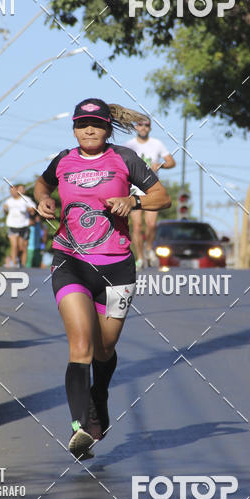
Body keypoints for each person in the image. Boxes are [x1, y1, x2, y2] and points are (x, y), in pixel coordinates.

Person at [34, 98, 171, 459]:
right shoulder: (64, 159)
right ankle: (81, 427)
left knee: (104, 349)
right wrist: (44, 200)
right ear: (75, 128)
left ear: (108, 127)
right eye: (82, 124)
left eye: (96, 124)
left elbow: (162, 197)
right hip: (71, 261)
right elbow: (41, 184)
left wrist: (134, 202)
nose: (89, 130)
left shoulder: (124, 159)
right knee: (80, 345)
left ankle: (99, 398)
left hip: (117, 267)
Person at [124, 116, 176, 268]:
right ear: (136, 127)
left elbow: (171, 162)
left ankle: (148, 250)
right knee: (137, 225)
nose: (143, 128)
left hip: (151, 188)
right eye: (140, 125)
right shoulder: (129, 146)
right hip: (134, 188)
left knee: (151, 224)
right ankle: (140, 258)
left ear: (150, 127)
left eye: (146, 125)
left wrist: (159, 166)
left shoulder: (157, 144)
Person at [3, 184, 36, 267]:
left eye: (13, 190)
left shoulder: (25, 200)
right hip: (12, 226)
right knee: (14, 246)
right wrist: (5, 209)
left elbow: (33, 210)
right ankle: (14, 264)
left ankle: (22, 265)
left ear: (17, 190)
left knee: (22, 248)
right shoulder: (8, 201)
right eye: (10, 191)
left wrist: (30, 209)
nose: (12, 192)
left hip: (23, 226)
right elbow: (5, 212)